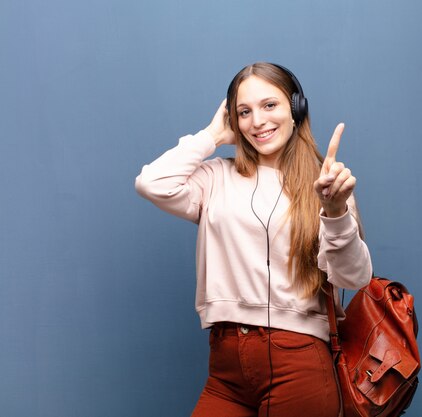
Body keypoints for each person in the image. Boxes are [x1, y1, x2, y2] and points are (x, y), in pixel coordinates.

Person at [135, 62, 372, 417]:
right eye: (244, 112)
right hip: (226, 366)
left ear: (296, 109)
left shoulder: (326, 185)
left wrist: (335, 210)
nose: (257, 121)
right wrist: (211, 137)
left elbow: (354, 277)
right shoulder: (216, 177)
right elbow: (151, 183)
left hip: (298, 361)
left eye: (269, 105)